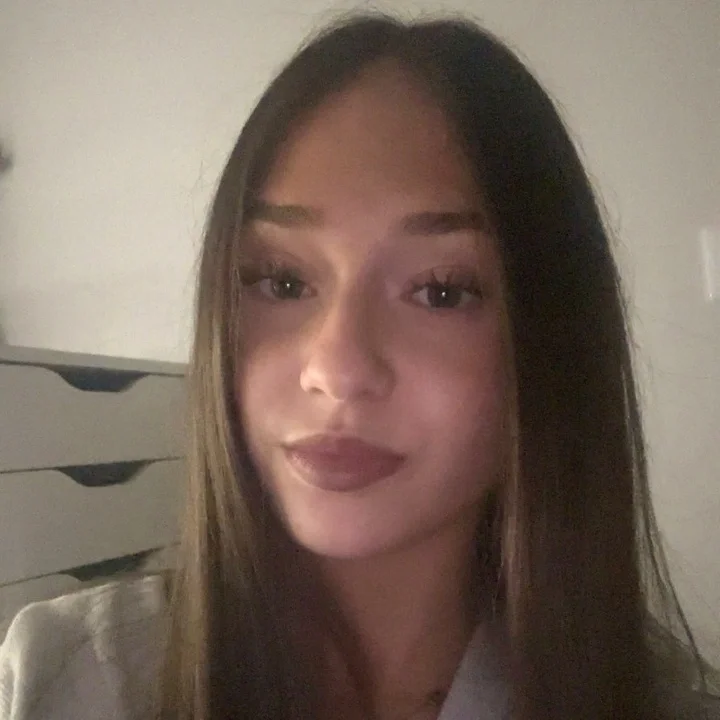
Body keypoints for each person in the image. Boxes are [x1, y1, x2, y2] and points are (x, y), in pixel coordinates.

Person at [1, 12, 718, 720]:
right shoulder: (69, 679)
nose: (337, 369)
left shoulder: (661, 702)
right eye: (283, 282)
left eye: (441, 292)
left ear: (550, 336)